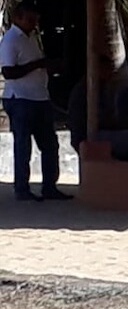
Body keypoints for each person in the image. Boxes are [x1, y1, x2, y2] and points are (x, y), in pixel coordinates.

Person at [0, 0, 70, 201]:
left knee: (50, 145)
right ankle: (22, 189)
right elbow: (8, 72)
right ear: (18, 18)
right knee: (23, 146)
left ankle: (49, 187)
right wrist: (38, 64)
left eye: (36, 20)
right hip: (20, 99)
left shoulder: (32, 38)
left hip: (40, 97)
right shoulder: (11, 40)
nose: (34, 24)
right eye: (30, 20)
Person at [67, 55, 128, 164]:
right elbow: (98, 119)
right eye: (108, 69)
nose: (111, 73)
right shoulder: (88, 89)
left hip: (96, 133)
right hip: (88, 136)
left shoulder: (102, 88)